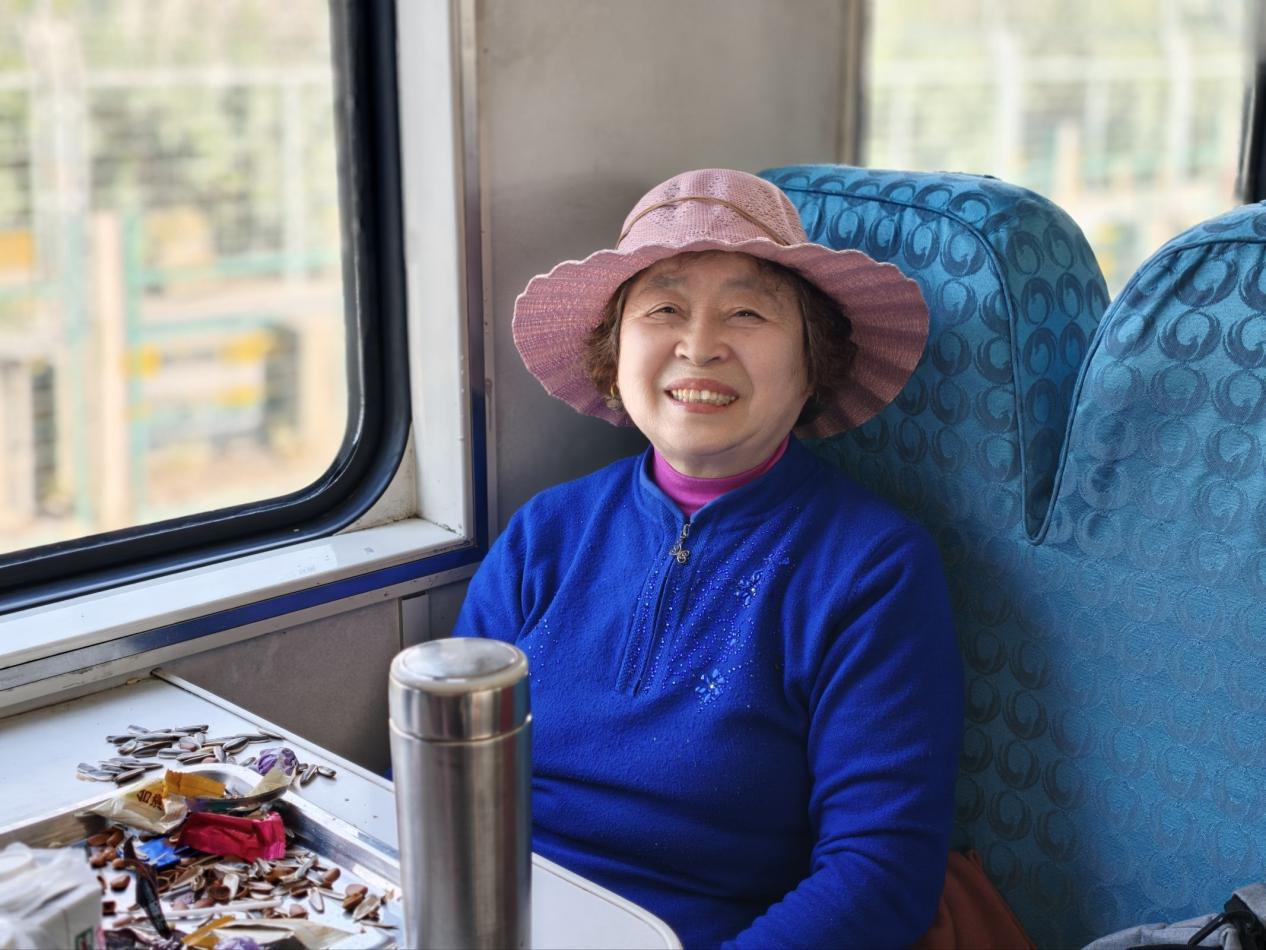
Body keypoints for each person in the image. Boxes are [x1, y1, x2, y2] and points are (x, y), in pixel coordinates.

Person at [454, 169, 963, 948]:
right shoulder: (544, 534)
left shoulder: (873, 569)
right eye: (663, 310)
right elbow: (450, 770)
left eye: (748, 312)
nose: (699, 346)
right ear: (614, 357)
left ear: (812, 363)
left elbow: (882, 872)